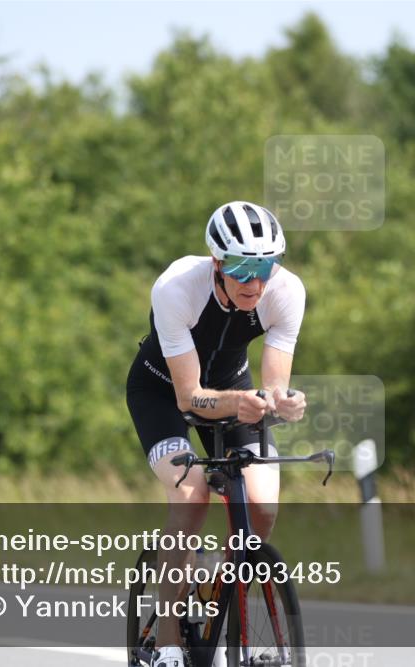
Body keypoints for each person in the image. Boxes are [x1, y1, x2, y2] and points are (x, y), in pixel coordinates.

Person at [126, 201, 307, 667]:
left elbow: (274, 379)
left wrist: (280, 400)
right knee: (192, 497)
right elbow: (189, 398)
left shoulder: (286, 291)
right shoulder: (176, 288)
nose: (255, 282)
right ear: (217, 264)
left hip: (234, 392)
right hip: (163, 394)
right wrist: (239, 403)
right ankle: (167, 645)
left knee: (262, 508)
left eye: (265, 266)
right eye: (243, 269)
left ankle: (216, 603)